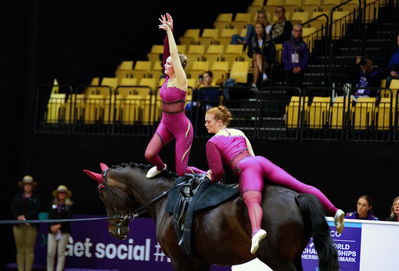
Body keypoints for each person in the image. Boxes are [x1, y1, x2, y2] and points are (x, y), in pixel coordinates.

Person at [204, 106, 345, 254]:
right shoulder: (239, 132)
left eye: (208, 122)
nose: (205, 125)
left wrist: (210, 177)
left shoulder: (212, 142)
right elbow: (252, 155)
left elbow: (218, 172)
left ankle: (256, 230)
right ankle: (335, 211)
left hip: (246, 167)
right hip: (260, 162)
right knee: (299, 185)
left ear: (219, 122)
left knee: (252, 200)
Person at [145, 13, 204, 178]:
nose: (165, 63)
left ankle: (208, 174)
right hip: (166, 124)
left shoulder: (180, 80)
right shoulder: (167, 78)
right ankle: (161, 167)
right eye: (166, 62)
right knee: (149, 155)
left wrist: (171, 33)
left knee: (181, 171)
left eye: (169, 63)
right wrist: (168, 31)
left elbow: (173, 52)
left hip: (181, 129)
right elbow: (167, 53)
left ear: (176, 67)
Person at [10, 175, 41, 271]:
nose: (27, 186)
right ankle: (20, 269)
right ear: (23, 186)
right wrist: (18, 216)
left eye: (29, 185)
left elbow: (37, 209)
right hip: (18, 226)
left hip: (30, 226)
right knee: (20, 249)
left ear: (32, 186)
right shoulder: (18, 197)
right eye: (25, 185)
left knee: (29, 249)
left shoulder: (36, 198)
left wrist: (25, 216)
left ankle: (28, 269)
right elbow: (13, 208)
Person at [47, 185, 73, 271]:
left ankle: (59, 269)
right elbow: (49, 216)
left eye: (63, 193)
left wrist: (59, 226)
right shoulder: (52, 204)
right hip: (52, 231)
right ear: (57, 194)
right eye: (60, 193)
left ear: (66, 194)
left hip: (64, 231)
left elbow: (68, 217)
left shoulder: (69, 205)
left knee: (61, 253)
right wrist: (52, 226)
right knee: (50, 252)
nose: (61, 194)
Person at [282, 24, 309, 99]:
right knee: (288, 90)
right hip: (289, 70)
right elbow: (284, 58)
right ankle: (287, 107)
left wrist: (300, 67)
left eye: (299, 31)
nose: (298, 33)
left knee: (298, 91)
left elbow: (305, 58)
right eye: (296, 31)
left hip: (300, 70)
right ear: (292, 31)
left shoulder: (303, 45)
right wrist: (292, 68)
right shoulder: (286, 43)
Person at [247, 22, 276, 90]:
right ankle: (264, 75)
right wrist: (252, 55)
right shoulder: (252, 40)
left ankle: (254, 85)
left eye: (260, 27)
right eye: (256, 27)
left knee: (257, 60)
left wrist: (262, 57)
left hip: (266, 62)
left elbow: (272, 54)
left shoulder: (268, 40)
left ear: (263, 29)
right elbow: (249, 53)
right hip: (255, 60)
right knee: (257, 57)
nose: (258, 29)